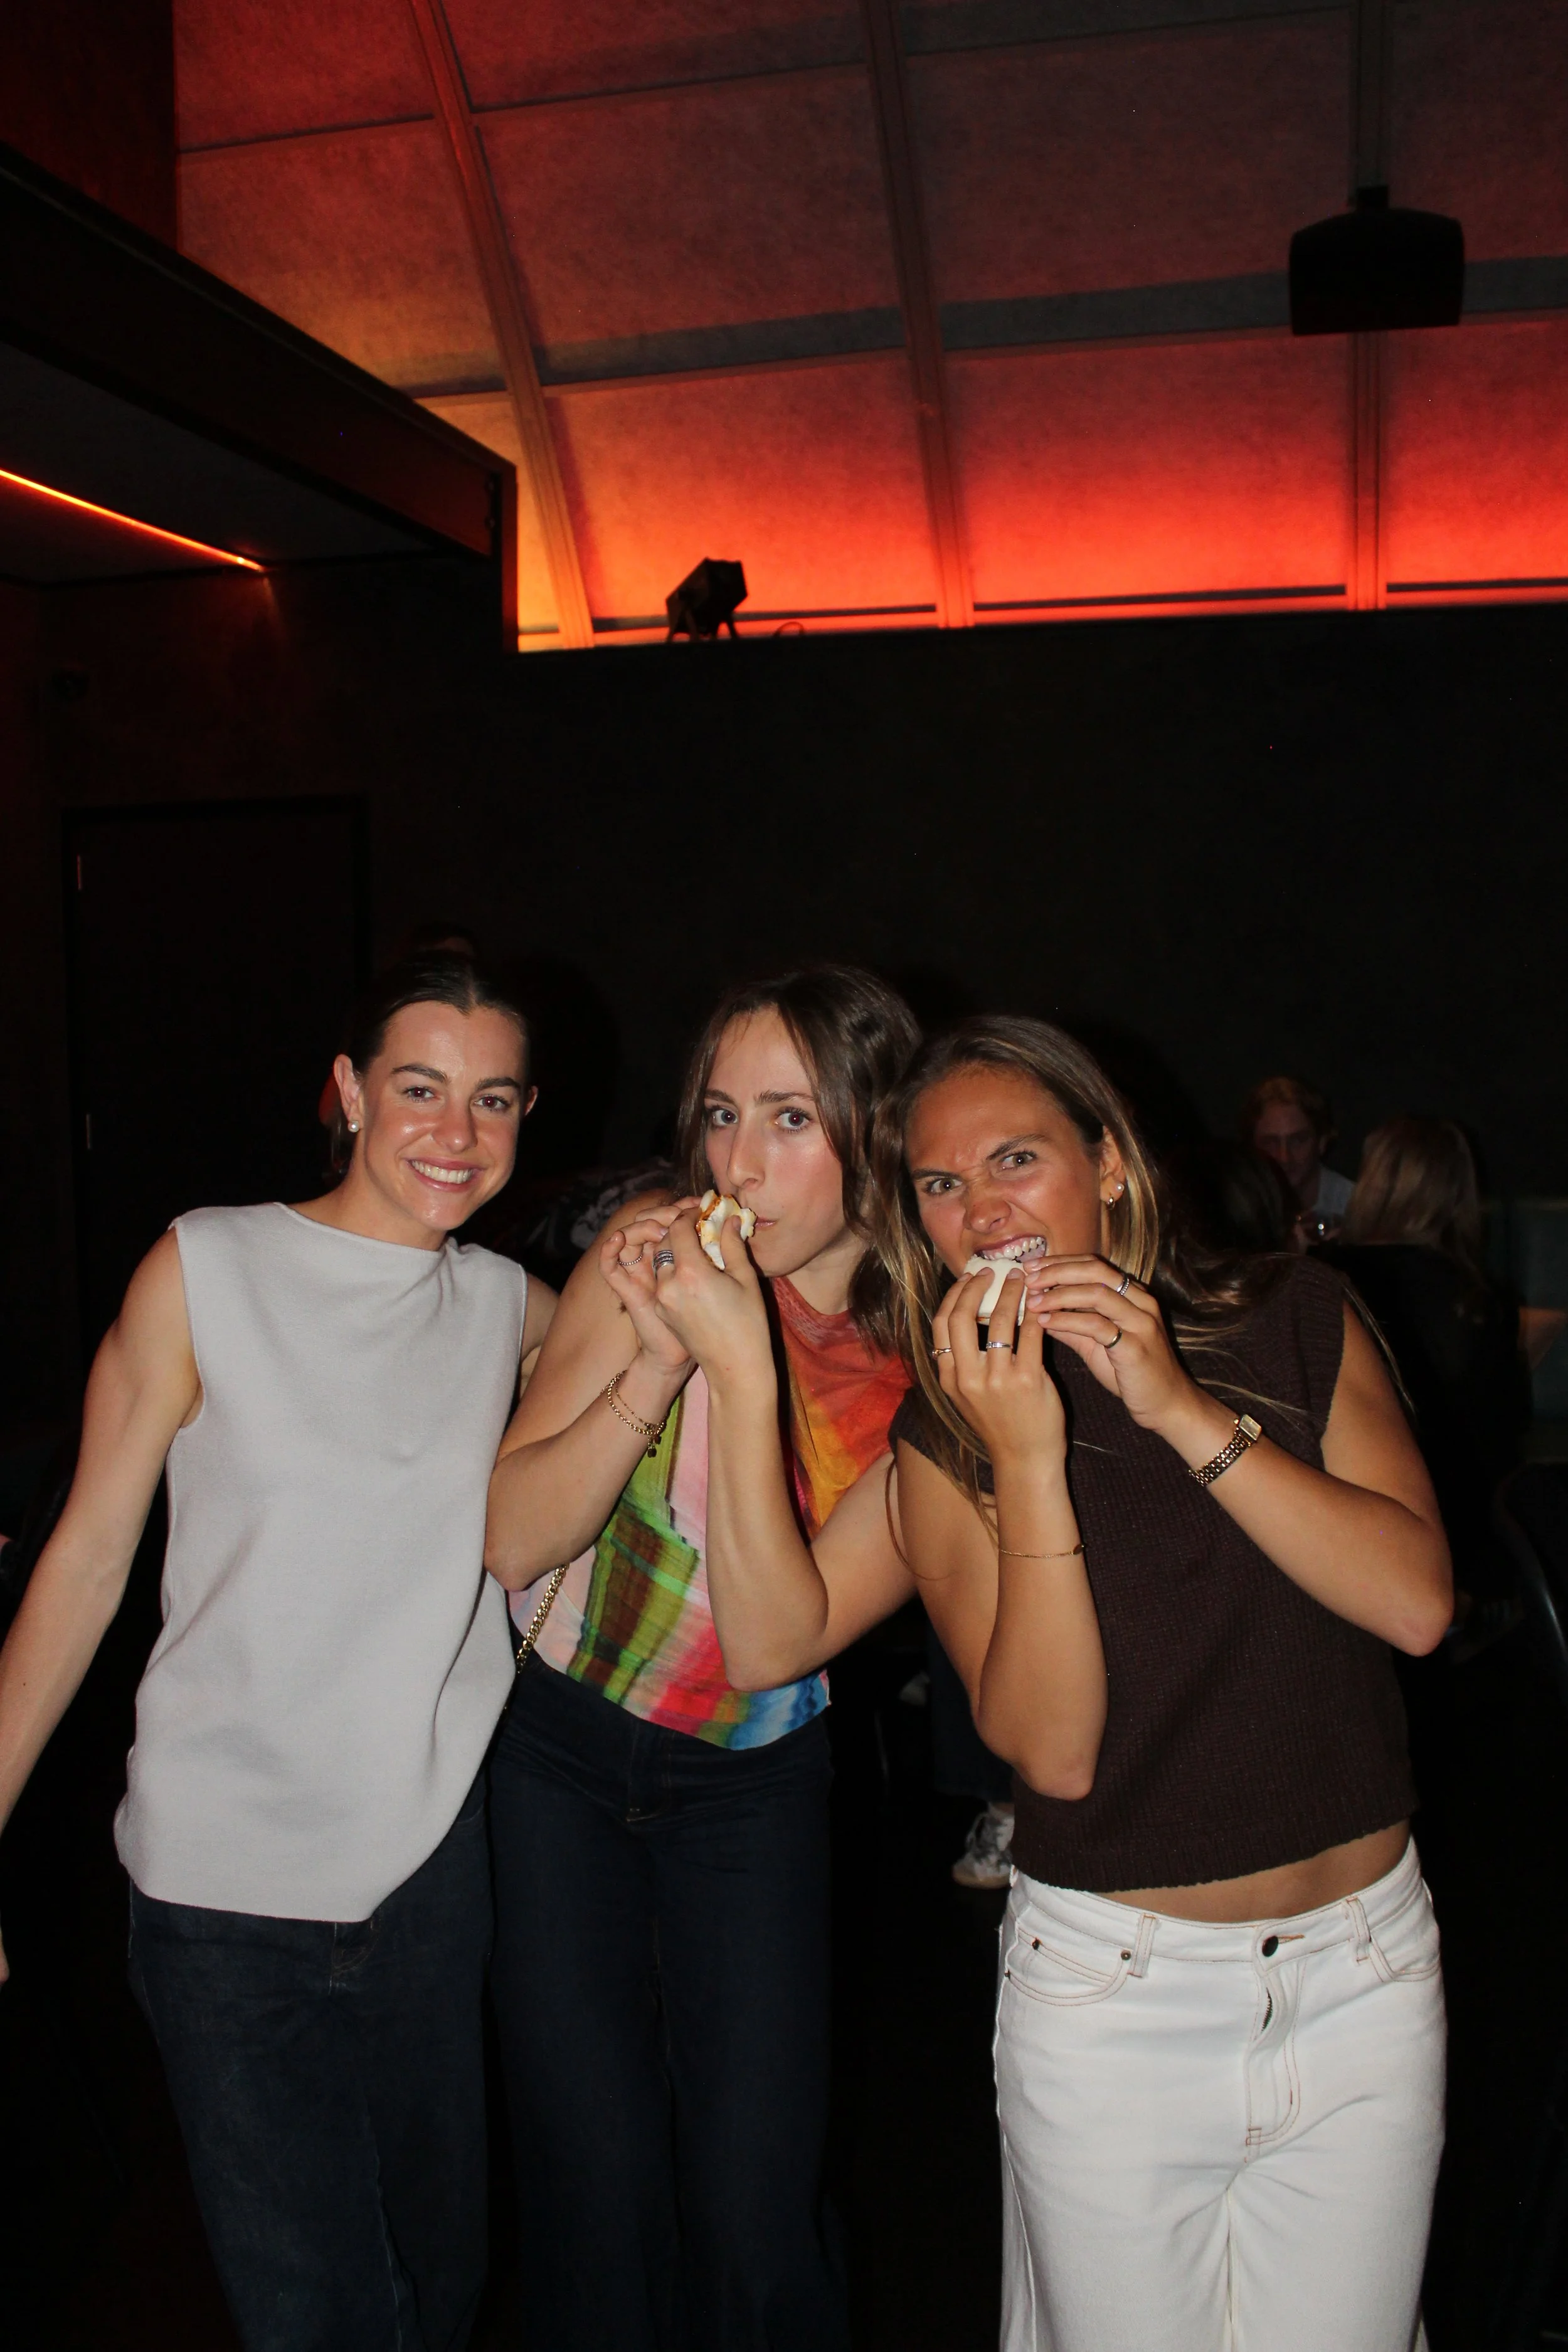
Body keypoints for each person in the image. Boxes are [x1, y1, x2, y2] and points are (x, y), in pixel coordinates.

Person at [693, 1016, 1452, 2352]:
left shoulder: (1293, 1316)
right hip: (1122, 2001)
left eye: (1015, 1159)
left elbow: (1412, 1603)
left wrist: (1173, 1407)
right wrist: (1023, 1458)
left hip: (1362, 1978)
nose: (980, 1210)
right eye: (938, 1185)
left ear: (1106, 1163)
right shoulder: (955, 1424)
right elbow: (1041, 1752)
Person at [0, 953, 554, 2352]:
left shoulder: (501, 1307)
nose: (455, 1132)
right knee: (316, 2315)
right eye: (419, 1089)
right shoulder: (209, 1265)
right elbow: (83, 1562)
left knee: (440, 2283)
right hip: (221, 1894)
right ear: (348, 1091)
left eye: (492, 1101)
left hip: (428, 1877)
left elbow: (651, 1350)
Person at [482, 965, 918, 2352]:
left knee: (752, 2205)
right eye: (723, 1114)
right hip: (550, 1755)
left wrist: (742, 1364)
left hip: (749, 1791)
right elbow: (504, 1536)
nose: (740, 1161)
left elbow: (774, 1636)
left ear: (880, 1133)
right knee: (591, 2192)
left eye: (792, 1118)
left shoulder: (924, 1371)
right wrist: (660, 1359)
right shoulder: (652, 1248)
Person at [1325, 1116, 1530, 1585]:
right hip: (1473, 1539)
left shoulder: (1324, 1280)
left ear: (1373, 1182)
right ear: (1456, 1193)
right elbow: (1507, 1426)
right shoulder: (1479, 1299)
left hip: (1362, 1535)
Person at [1242, 1074, 1353, 1236]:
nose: (1284, 1157)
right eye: (1271, 1143)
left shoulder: (1355, 1209)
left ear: (1322, 1142)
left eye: (1298, 1141)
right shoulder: (1238, 1211)